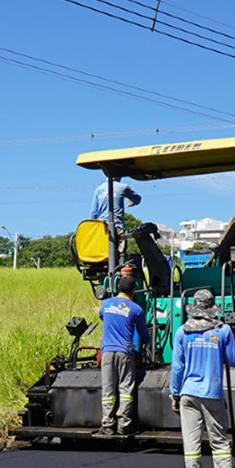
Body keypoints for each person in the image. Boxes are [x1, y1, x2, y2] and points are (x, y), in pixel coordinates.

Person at [170, 289, 235, 468]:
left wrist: (174, 393)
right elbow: (232, 360)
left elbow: (177, 367)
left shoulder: (182, 331)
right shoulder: (223, 331)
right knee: (219, 441)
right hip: (212, 393)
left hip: (188, 393)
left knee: (191, 443)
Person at [97, 274, 149, 436]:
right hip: (125, 353)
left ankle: (107, 425)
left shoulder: (105, 305)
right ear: (133, 290)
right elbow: (144, 335)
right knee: (126, 388)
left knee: (108, 390)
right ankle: (124, 425)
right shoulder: (136, 309)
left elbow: (102, 316)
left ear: (118, 287)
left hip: (106, 352)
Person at [90, 176, 141, 257]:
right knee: (121, 255)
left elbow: (94, 213)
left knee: (104, 253)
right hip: (117, 226)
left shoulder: (99, 189)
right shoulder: (123, 187)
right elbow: (138, 199)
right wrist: (133, 201)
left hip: (101, 227)